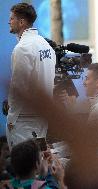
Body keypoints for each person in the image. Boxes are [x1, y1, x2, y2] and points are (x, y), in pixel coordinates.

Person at [7, 3, 56, 149]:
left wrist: (11, 117)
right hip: (42, 115)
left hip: (24, 119)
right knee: (38, 163)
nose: (9, 21)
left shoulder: (23, 48)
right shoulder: (46, 46)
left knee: (24, 165)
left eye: (12, 18)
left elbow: (19, 87)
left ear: (22, 22)